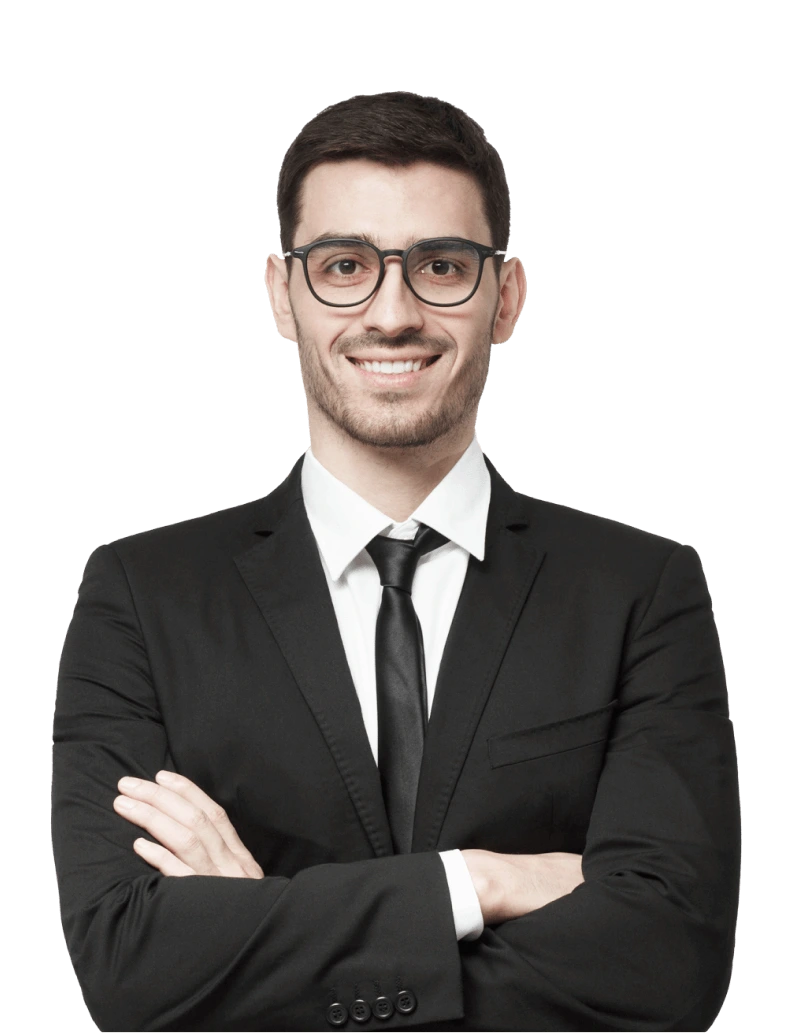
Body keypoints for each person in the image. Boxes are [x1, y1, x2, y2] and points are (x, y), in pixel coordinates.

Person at [51, 92, 740, 1032]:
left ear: (508, 297)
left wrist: (257, 934)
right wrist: (478, 882)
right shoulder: (140, 597)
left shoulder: (642, 592)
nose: (392, 313)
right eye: (344, 265)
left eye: (441, 266)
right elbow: (130, 965)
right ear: (280, 292)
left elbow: (670, 962)